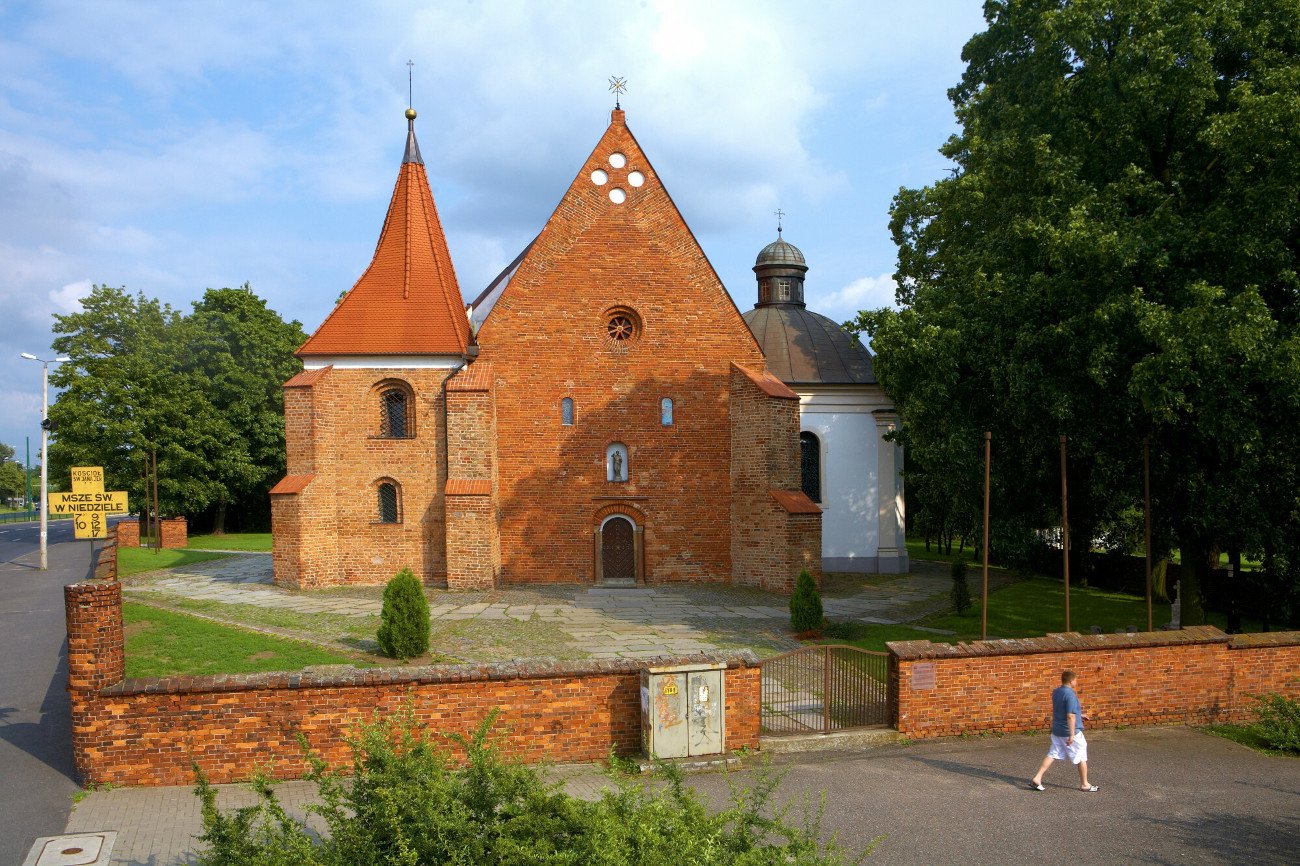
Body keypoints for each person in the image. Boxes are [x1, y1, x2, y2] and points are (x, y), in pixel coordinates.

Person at [1030, 669, 1098, 792]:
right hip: (1070, 731)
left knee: (1053, 753)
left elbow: (1062, 709)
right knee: (1081, 756)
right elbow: (1070, 715)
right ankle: (1085, 784)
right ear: (1071, 681)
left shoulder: (1056, 692)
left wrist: (1080, 715)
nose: (1076, 682)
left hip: (1057, 730)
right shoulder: (1070, 694)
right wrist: (1071, 735)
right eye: (1076, 680)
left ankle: (1037, 778)